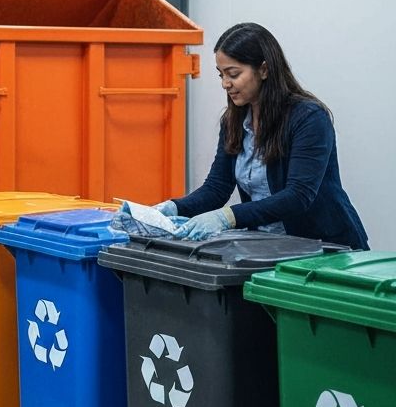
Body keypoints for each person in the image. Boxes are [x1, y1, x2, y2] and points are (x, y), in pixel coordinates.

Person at [154, 22, 367, 249]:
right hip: (270, 247)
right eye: (221, 75)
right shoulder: (233, 121)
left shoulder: (308, 118)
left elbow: (298, 196)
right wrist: (171, 208)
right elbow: (217, 188)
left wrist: (227, 217)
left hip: (327, 248)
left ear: (264, 70)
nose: (226, 84)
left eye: (233, 74)